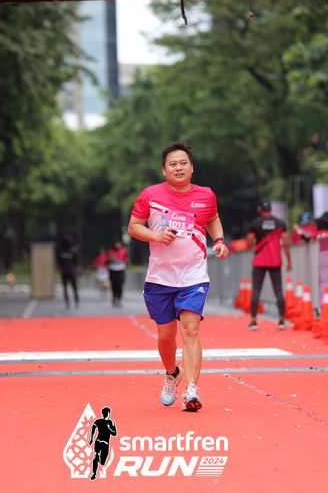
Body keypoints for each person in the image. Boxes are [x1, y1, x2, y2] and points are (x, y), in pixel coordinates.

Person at [128, 141, 229, 412]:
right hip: (160, 277)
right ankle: (172, 373)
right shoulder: (150, 195)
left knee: (191, 328)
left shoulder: (206, 195)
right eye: (173, 164)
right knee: (166, 335)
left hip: (193, 275)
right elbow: (134, 227)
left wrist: (219, 240)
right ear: (164, 170)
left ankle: (192, 389)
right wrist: (155, 236)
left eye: (183, 163)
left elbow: (212, 218)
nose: (179, 167)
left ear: (192, 168)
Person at [246, 200, 292, 330]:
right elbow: (286, 243)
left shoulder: (255, 223)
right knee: (278, 290)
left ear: (260, 209)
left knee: (256, 290)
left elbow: (249, 242)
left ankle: (253, 321)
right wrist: (289, 261)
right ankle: (281, 321)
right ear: (271, 209)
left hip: (259, 261)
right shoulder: (280, 223)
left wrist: (254, 245)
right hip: (275, 261)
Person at [87, 406, 117, 481]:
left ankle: (98, 460)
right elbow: (93, 428)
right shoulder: (100, 421)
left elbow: (114, 433)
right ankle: (94, 473)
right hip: (100, 442)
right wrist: (91, 438)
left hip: (102, 443)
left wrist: (109, 428)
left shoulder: (111, 422)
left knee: (102, 462)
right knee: (96, 456)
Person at [57, 235, 79, 309]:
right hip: (71, 271)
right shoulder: (73, 251)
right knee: (74, 287)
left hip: (65, 272)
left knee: (66, 287)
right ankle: (76, 301)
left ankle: (68, 302)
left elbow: (59, 262)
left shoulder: (61, 252)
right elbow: (75, 261)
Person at [106, 241, 129, 307]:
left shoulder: (124, 250)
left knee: (120, 284)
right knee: (114, 285)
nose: (117, 245)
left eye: (118, 244)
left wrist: (127, 262)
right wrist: (110, 259)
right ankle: (114, 297)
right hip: (112, 269)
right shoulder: (110, 251)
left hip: (121, 269)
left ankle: (119, 299)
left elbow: (127, 259)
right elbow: (106, 260)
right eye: (116, 244)